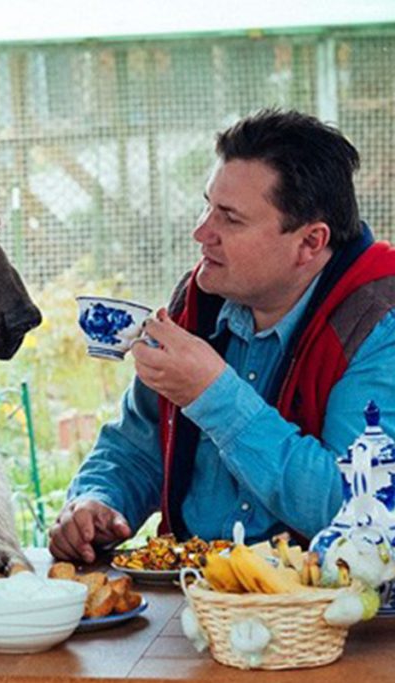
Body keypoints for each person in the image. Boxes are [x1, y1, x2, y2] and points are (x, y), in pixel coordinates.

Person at [49, 109, 395, 563]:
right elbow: (136, 447)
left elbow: (359, 510)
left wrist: (213, 395)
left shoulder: (378, 324)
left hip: (324, 612)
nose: (200, 232)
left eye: (229, 219)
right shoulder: (198, 301)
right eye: (207, 205)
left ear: (310, 242)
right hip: (192, 593)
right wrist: (98, 502)